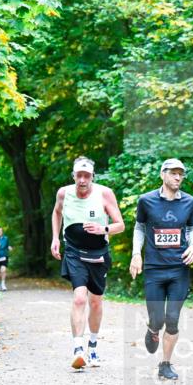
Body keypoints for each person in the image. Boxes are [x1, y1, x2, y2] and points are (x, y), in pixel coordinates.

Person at [50, 157, 125, 369]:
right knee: (80, 298)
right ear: (73, 176)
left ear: (93, 176)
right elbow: (56, 212)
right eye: (78, 175)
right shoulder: (64, 193)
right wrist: (55, 238)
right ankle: (78, 349)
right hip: (74, 252)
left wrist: (104, 229)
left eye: (87, 176)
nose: (82, 180)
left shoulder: (105, 193)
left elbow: (121, 225)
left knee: (96, 302)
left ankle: (92, 347)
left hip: (98, 254)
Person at [129, 158, 193, 381]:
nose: (178, 177)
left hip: (179, 269)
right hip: (154, 269)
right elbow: (139, 228)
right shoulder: (146, 201)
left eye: (181, 173)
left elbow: (192, 228)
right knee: (157, 318)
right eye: (173, 173)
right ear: (163, 174)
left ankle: (165, 364)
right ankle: (152, 329)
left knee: (172, 318)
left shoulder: (190, 202)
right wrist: (135, 254)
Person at [0, 226, 11, 291]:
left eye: (1, 231)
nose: (0, 232)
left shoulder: (6, 238)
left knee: (3, 270)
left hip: (4, 256)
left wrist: (9, 247)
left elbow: (7, 245)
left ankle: (3, 284)